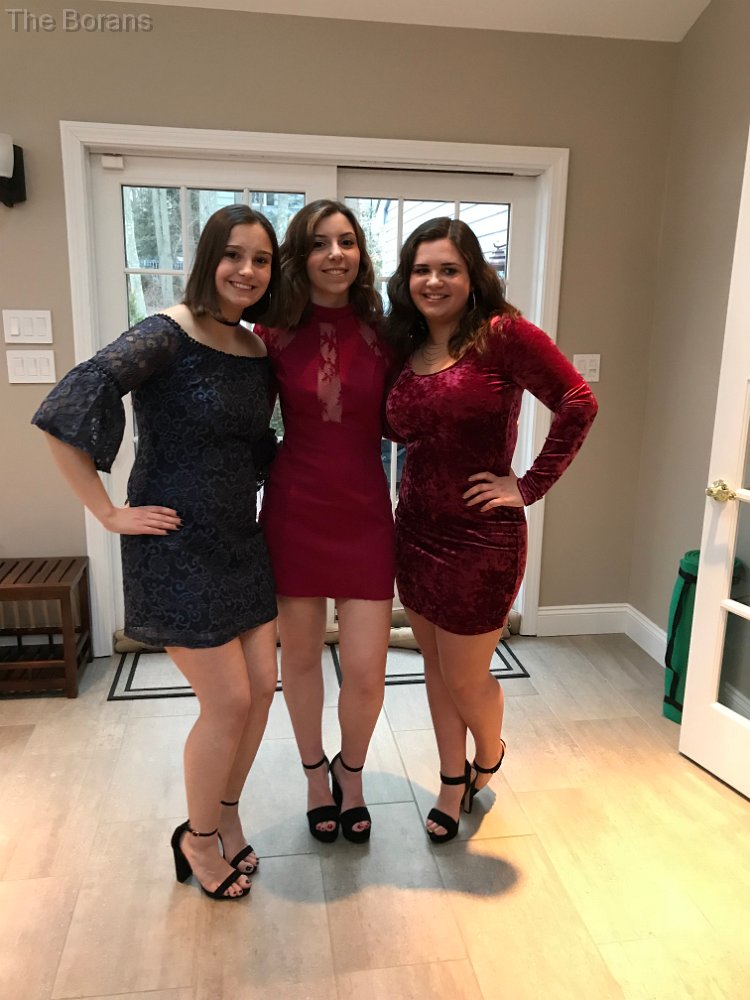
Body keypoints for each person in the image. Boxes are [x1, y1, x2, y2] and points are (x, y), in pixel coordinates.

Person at [32, 205, 282, 899]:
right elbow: (67, 404)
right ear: (209, 258)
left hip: (240, 539)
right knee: (227, 702)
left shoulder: (256, 349)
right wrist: (108, 511)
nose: (247, 270)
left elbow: (253, 446)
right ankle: (196, 839)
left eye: (261, 260)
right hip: (174, 546)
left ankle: (224, 815)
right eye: (234, 255)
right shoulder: (165, 333)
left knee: (262, 691)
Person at [384, 217, 598, 843]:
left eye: (448, 269)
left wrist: (527, 486)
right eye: (422, 269)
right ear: (407, 279)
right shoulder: (407, 346)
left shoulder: (502, 335)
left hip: (481, 541)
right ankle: (452, 780)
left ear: (473, 275)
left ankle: (490, 748)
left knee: (466, 676)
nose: (434, 281)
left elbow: (579, 402)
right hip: (414, 531)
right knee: (433, 667)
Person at [254, 199, 394, 844]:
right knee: (302, 659)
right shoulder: (271, 333)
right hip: (296, 508)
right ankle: (316, 775)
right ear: (300, 256)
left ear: (360, 252)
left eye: (346, 241)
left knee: (366, 668)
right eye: (319, 243)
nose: (335, 254)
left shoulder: (387, 332)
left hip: (366, 512)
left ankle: (351, 771)